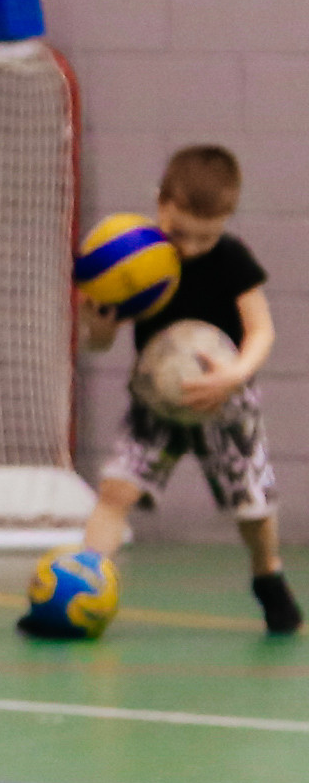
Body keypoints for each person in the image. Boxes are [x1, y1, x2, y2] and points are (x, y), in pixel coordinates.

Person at [74, 142, 300, 636]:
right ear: (161, 203)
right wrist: (99, 324)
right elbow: (98, 345)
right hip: (157, 400)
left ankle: (268, 575)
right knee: (115, 489)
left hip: (224, 400)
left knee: (252, 505)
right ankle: (84, 583)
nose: (191, 248)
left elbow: (261, 330)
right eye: (180, 233)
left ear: (227, 220)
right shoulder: (136, 257)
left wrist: (234, 375)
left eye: (206, 237)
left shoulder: (233, 259)